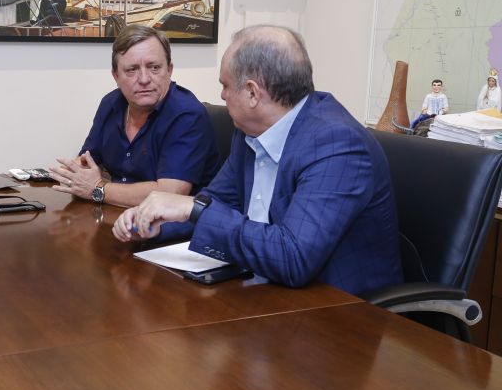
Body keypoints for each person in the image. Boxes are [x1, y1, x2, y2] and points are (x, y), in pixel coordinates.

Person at [113, 25, 403, 295]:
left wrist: (192, 209)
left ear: (252, 93)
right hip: (263, 289)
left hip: (340, 312)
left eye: (225, 85)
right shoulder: (250, 129)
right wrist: (154, 221)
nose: (222, 95)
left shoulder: (337, 146)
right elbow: (217, 201)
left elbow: (293, 258)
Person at [49, 25, 220, 208]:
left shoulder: (187, 115)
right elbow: (87, 161)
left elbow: (169, 194)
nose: (145, 79)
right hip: (117, 216)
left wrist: (97, 188)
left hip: (173, 228)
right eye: (132, 70)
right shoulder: (111, 104)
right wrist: (73, 173)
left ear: (169, 70)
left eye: (154, 67)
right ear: (116, 76)